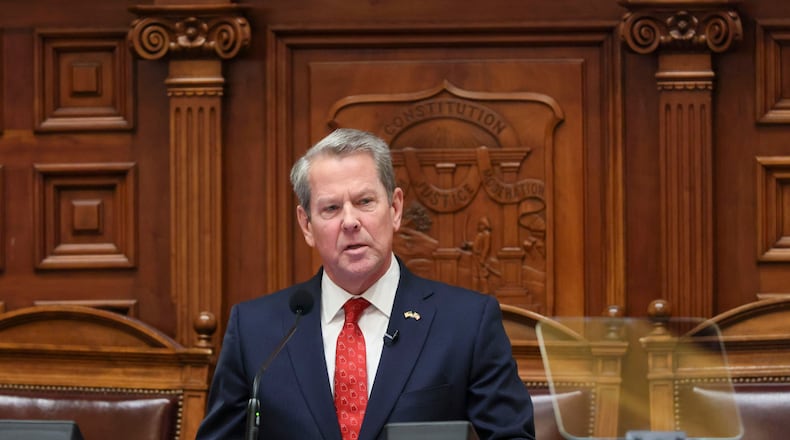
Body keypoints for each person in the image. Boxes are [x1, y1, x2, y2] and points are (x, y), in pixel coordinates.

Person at [196, 128, 535, 440]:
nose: (350, 221)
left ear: (395, 208)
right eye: (331, 208)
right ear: (307, 225)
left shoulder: (467, 323)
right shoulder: (255, 332)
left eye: (364, 202)